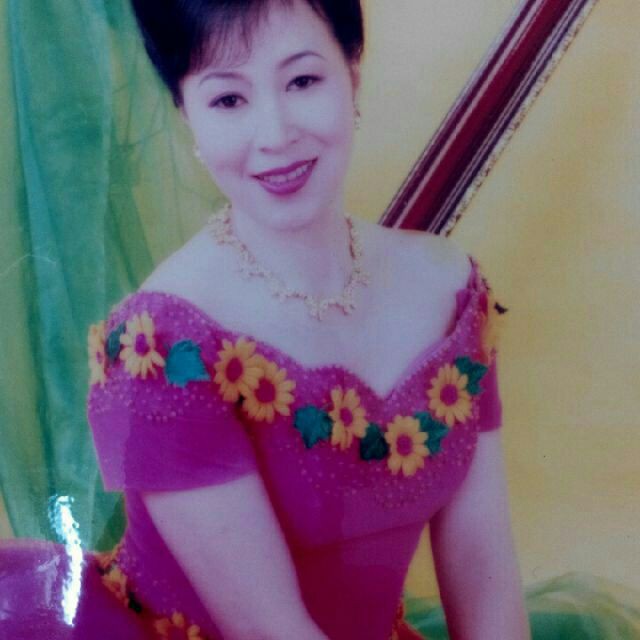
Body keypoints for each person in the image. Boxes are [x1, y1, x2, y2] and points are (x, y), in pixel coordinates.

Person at [0, 1, 530, 638]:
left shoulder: (450, 291)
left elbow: (487, 579)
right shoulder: (161, 345)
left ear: (352, 75)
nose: (275, 135)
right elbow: (272, 630)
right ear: (186, 114)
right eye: (228, 100)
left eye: (302, 80)